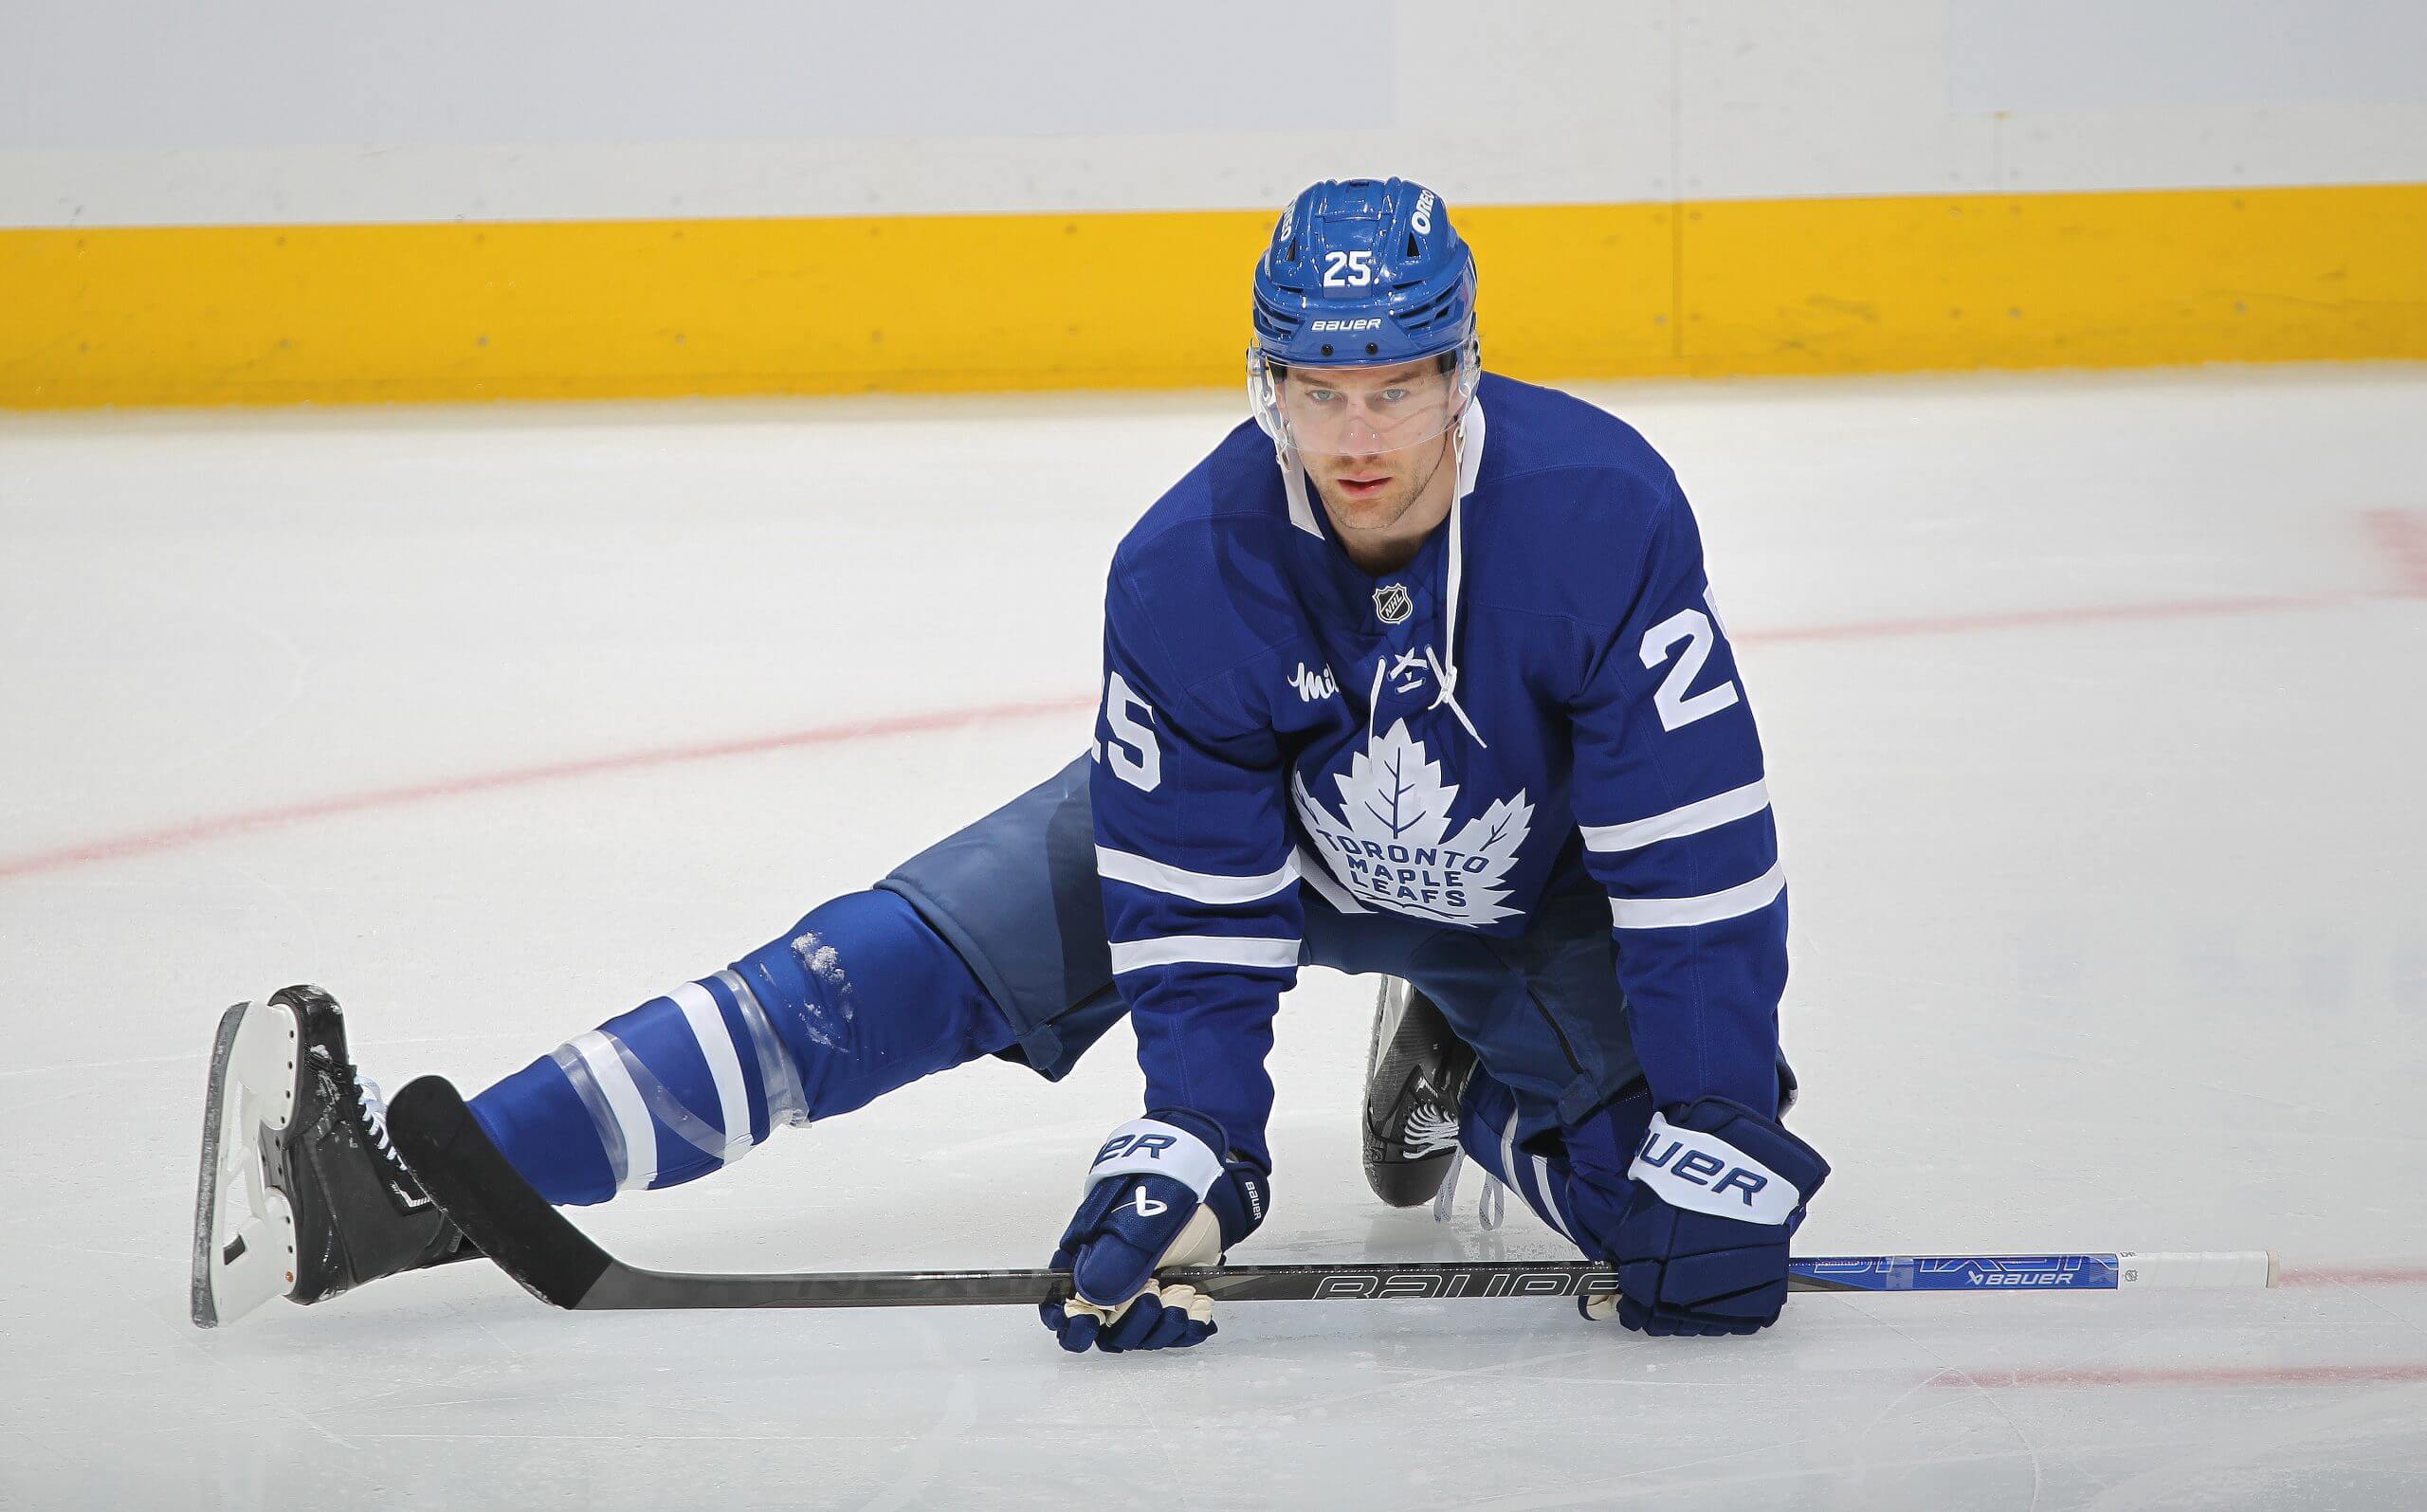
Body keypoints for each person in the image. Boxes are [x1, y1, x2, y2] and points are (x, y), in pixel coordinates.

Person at [192, 176, 1826, 1350]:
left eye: (1397, 386)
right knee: (874, 972)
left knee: (1669, 1230)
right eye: (1318, 391)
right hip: (1266, 844)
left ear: (1465, 370)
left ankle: (1466, 1078)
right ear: (1267, 384)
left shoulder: (1601, 515)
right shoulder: (1186, 567)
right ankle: (406, 1191)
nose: (1358, 438)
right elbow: (1193, 907)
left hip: (1526, 901)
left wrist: (1721, 1115)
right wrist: (1196, 1149)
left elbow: (1693, 866)